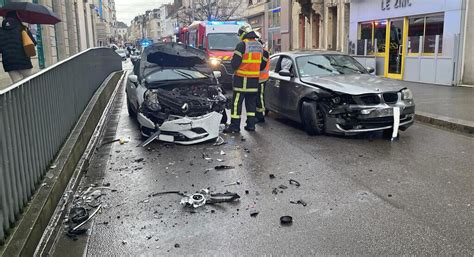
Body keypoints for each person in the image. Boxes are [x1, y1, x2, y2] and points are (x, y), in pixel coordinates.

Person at [224, 24, 267, 133]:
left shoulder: (242, 45)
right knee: (251, 105)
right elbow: (261, 65)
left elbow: (235, 64)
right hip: (254, 82)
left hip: (241, 81)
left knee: (236, 104)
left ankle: (235, 126)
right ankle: (251, 126)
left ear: (243, 33)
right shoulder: (259, 46)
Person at [0, 11, 36, 83]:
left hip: (8, 62)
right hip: (23, 61)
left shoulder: (0, 31)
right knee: (29, 83)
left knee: (16, 84)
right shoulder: (22, 28)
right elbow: (33, 43)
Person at [256, 35, 270, 123]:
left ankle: (261, 116)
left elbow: (262, 66)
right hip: (256, 78)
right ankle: (257, 114)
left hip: (261, 79)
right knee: (257, 98)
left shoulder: (264, 53)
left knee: (260, 97)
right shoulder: (259, 52)